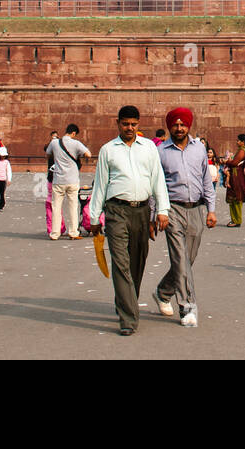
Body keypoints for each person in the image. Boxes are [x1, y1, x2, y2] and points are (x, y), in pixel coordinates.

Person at [88, 105, 170, 337]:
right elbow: (100, 184)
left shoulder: (149, 149)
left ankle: (125, 300)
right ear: (118, 123)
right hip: (116, 211)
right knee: (121, 262)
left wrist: (162, 210)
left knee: (137, 262)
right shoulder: (108, 150)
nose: (130, 128)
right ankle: (128, 317)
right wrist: (95, 217)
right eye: (125, 124)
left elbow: (158, 180)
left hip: (142, 211)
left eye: (133, 124)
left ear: (138, 124)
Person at [154, 106, 217, 328]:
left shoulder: (198, 148)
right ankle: (188, 306)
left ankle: (163, 292)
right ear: (169, 126)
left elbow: (206, 180)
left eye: (183, 124)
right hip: (172, 209)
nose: (179, 128)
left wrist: (211, 208)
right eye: (175, 124)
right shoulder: (161, 151)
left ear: (189, 126)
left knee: (188, 259)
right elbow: (156, 184)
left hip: (196, 209)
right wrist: (157, 212)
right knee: (180, 258)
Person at [47, 123, 90, 240]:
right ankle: (73, 232)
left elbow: (48, 153)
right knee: (73, 206)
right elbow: (88, 154)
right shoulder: (76, 143)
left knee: (56, 207)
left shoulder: (55, 142)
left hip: (58, 180)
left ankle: (55, 234)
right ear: (74, 133)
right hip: (72, 179)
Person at [223, 134, 245, 227]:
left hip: (236, 177)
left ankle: (236, 220)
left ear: (243, 142)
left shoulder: (242, 151)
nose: (237, 142)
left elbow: (235, 163)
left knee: (236, 198)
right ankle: (235, 219)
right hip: (237, 176)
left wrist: (226, 161)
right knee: (235, 198)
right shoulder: (243, 150)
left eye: (238, 140)